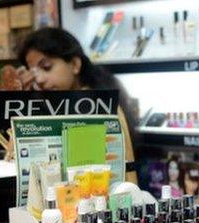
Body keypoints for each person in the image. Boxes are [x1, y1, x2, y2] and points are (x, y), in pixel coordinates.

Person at [16, 28, 138, 183]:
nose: (39, 79)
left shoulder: (96, 106)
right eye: (33, 72)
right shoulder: (48, 104)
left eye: (46, 67)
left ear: (74, 64)